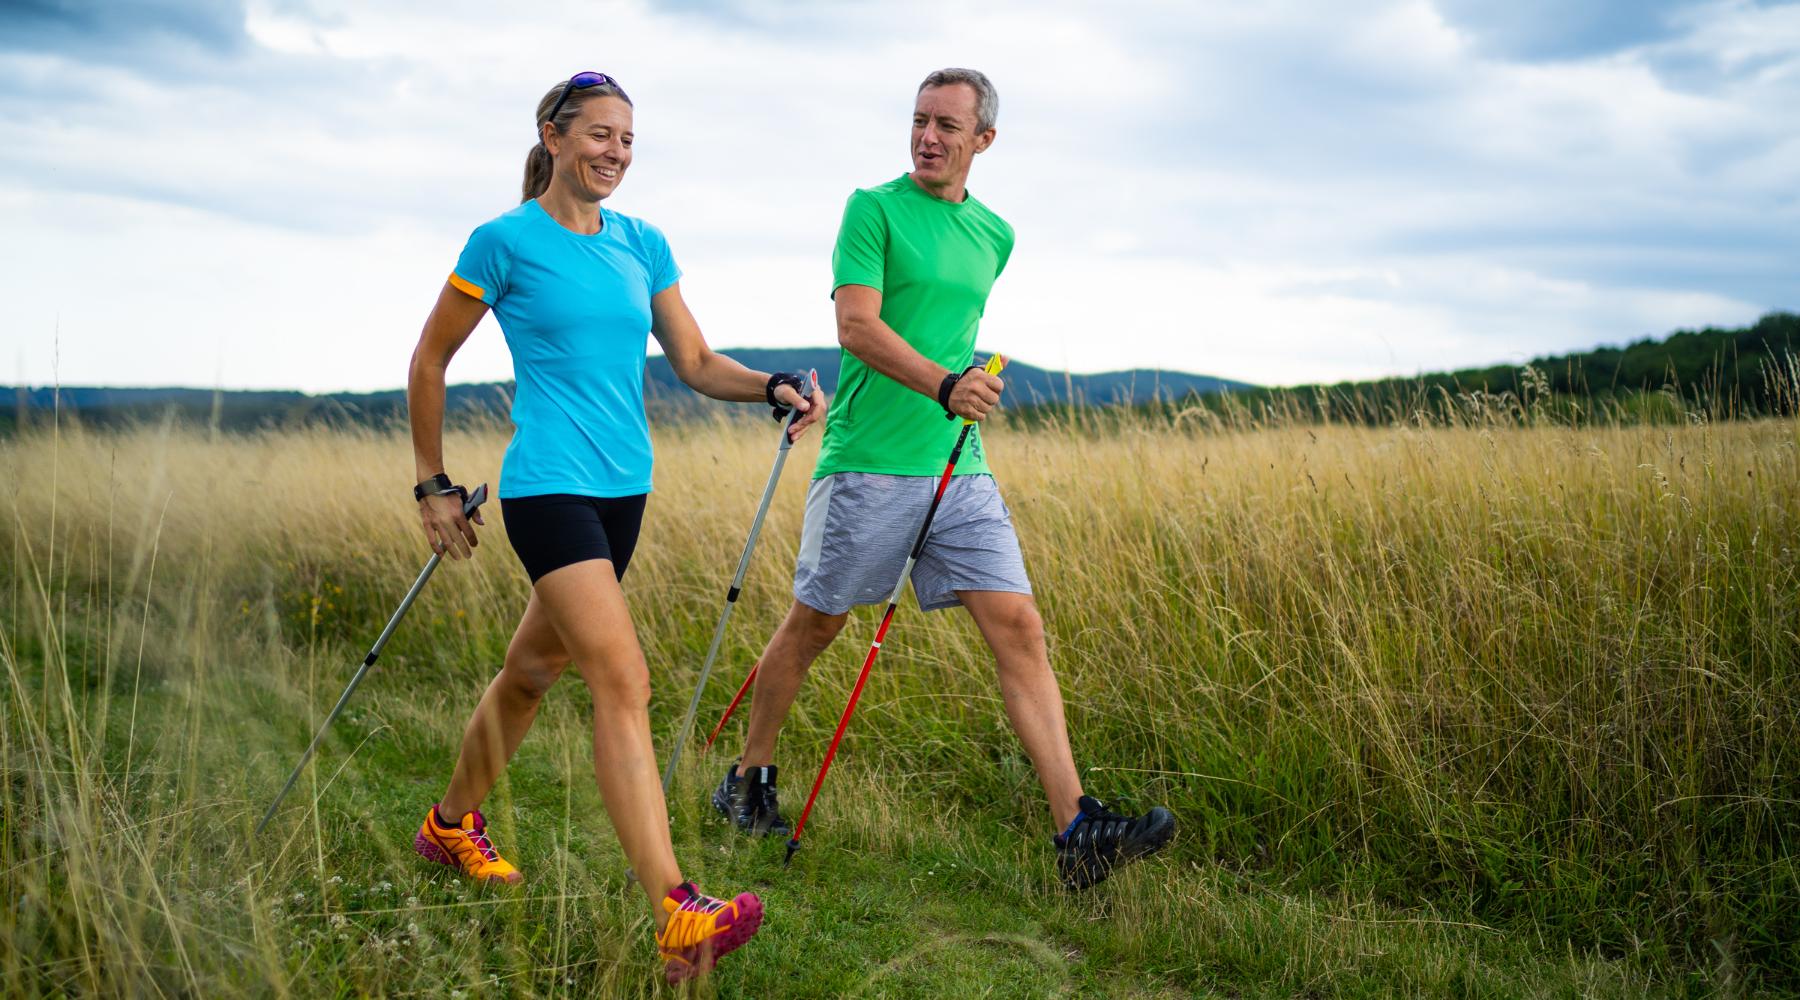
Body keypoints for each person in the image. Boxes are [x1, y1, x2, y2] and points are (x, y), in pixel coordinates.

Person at [404, 71, 825, 982]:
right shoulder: (504, 241)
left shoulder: (643, 244)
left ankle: (447, 829)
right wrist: (432, 483)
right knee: (621, 678)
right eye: (599, 135)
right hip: (549, 488)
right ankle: (677, 908)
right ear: (552, 138)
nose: (615, 154)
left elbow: (697, 360)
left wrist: (774, 386)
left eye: (627, 140)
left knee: (529, 673)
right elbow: (431, 358)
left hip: (625, 491)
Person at [710, 68, 1174, 891]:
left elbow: (953, 331)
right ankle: (748, 781)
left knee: (1020, 627)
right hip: (867, 463)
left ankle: (1077, 832)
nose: (928, 136)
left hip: (958, 466)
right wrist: (943, 384)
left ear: (982, 141)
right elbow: (856, 327)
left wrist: (966, 387)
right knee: (814, 628)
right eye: (919, 120)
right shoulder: (873, 208)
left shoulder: (996, 234)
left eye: (947, 126)